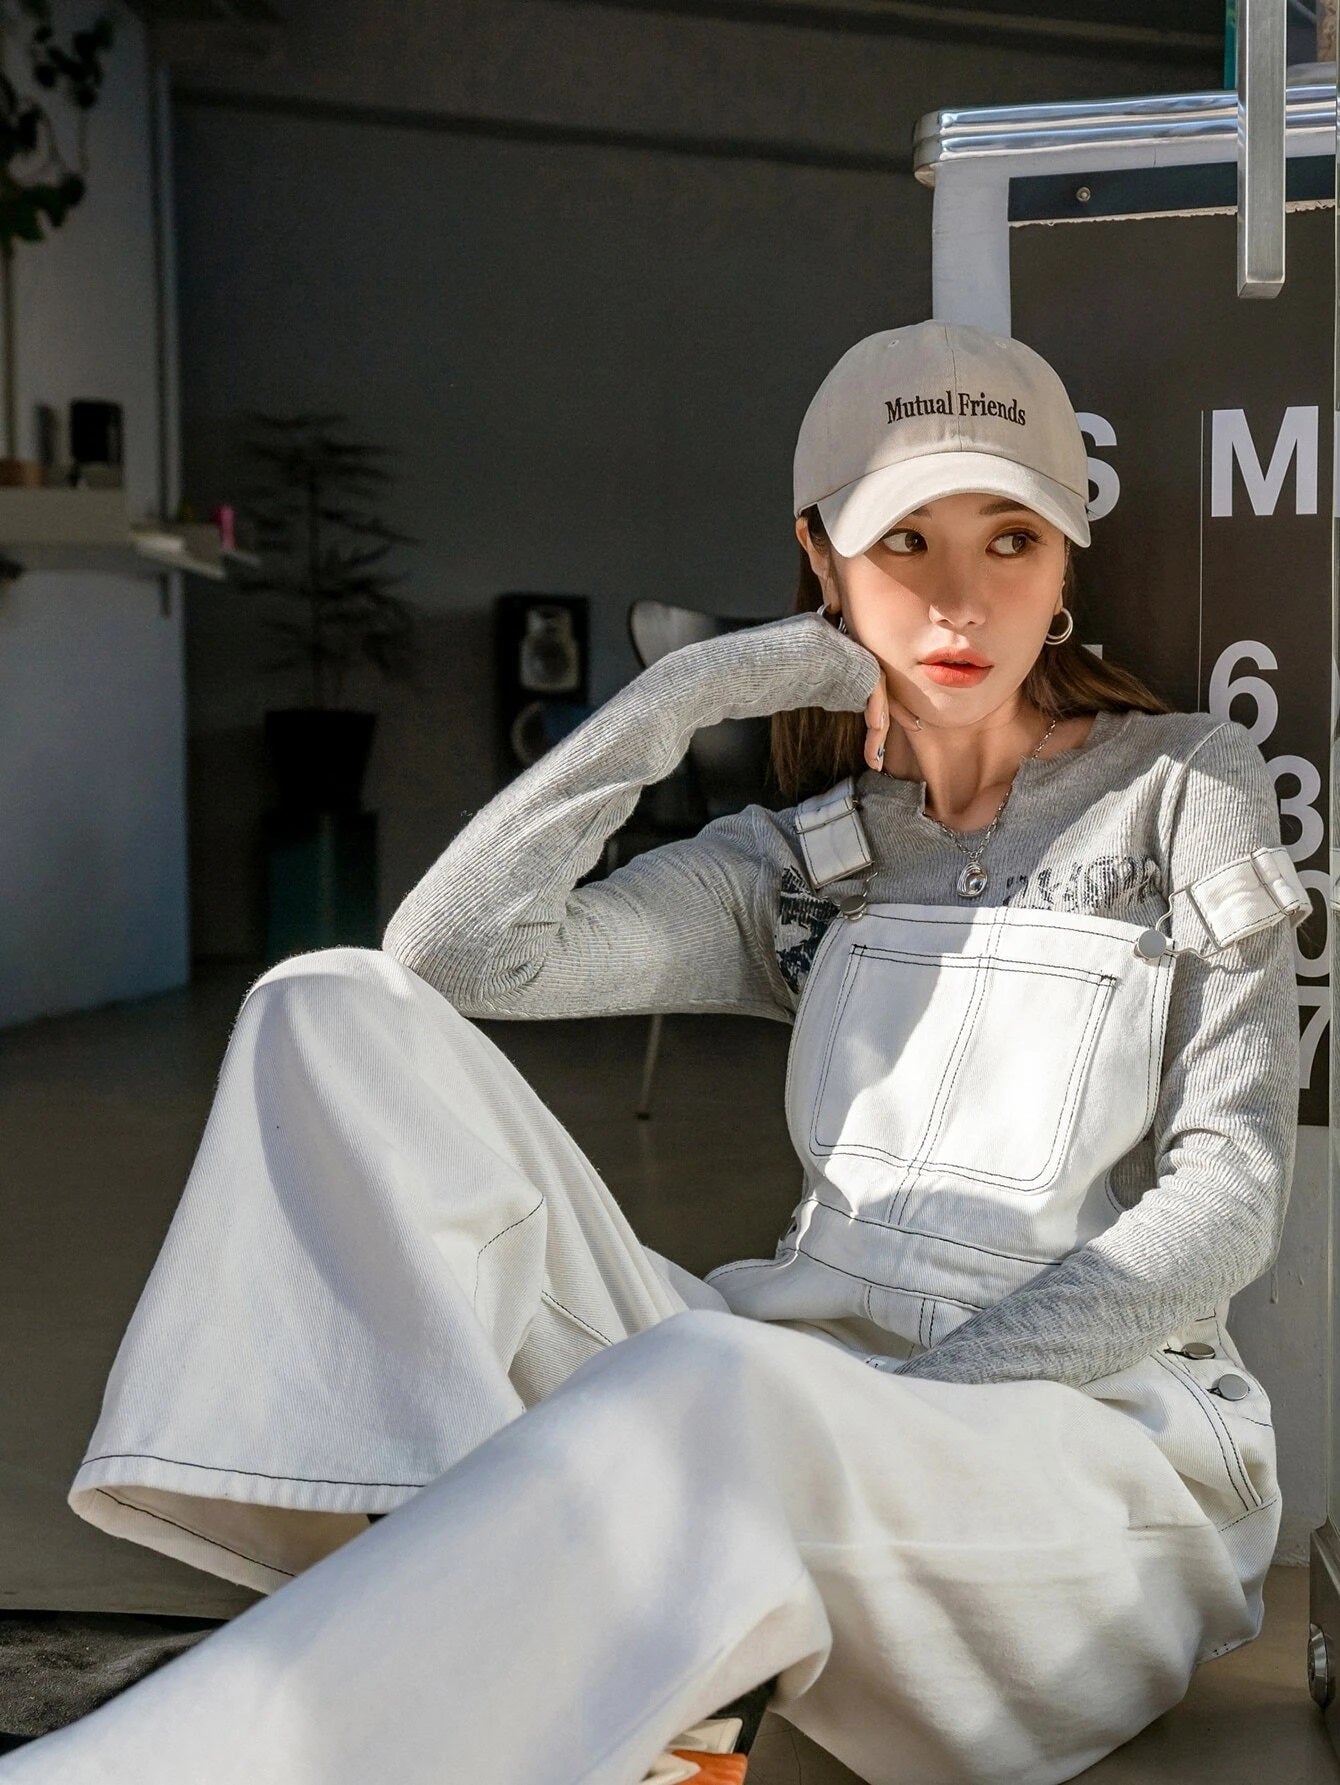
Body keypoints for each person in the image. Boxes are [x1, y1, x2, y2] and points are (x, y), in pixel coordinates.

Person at [3, 320, 1307, 1785]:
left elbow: (1230, 1196)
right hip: (771, 1412)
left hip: (1074, 1465)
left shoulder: (1185, 785)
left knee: (718, 1382)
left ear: (1067, 561)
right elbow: (454, 956)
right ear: (820, 559)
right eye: (904, 543)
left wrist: (890, 1415)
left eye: (1012, 539)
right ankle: (476, 1596)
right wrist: (685, 696)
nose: (962, 599)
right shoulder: (805, 861)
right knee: (325, 1010)